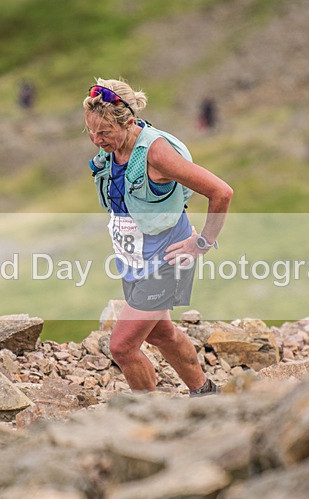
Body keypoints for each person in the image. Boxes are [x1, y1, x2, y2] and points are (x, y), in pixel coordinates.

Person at [83, 78, 233, 397]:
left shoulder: (157, 153)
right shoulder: (110, 150)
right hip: (135, 259)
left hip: (167, 261)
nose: (97, 139)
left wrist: (202, 242)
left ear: (128, 122)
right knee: (160, 334)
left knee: (122, 347)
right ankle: (206, 393)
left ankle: (150, 415)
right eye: (91, 131)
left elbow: (221, 192)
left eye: (104, 132)